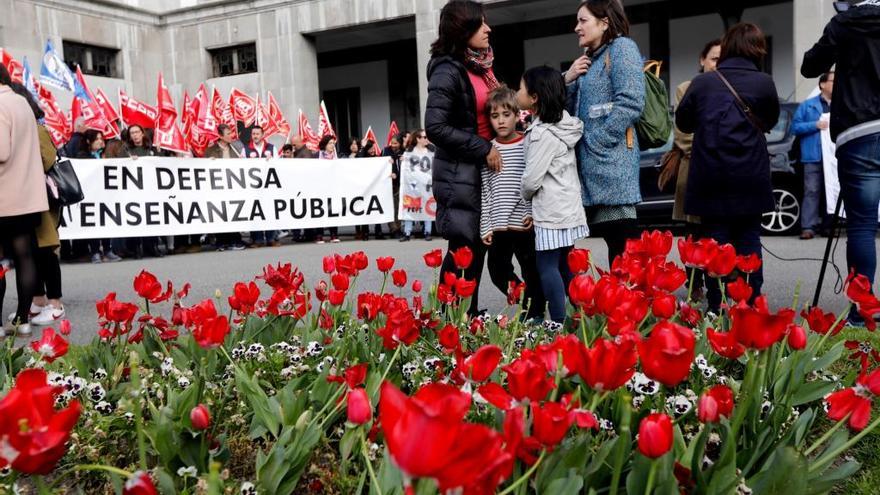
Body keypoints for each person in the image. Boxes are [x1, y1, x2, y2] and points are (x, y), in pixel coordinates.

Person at [676, 22, 780, 313]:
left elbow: (683, 122)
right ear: (756, 48)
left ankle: (715, 305)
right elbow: (769, 122)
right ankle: (751, 303)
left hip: (711, 176)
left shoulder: (703, 83)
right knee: (749, 239)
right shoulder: (764, 82)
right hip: (750, 175)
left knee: (715, 242)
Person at [802, 0, 880, 325]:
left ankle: (862, 313)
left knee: (862, 224)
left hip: (858, 129)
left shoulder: (845, 23)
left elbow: (810, 66)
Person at [426, 0, 502, 315]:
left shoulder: (480, 66)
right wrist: (483, 147)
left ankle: (464, 316)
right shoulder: (448, 70)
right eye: (480, 24)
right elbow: (435, 127)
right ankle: (452, 321)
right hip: (460, 172)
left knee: (476, 246)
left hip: (478, 171)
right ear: (463, 29)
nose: (488, 29)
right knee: (463, 248)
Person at [564, 0, 645, 267]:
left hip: (612, 167)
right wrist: (568, 78)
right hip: (594, 169)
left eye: (583, 20)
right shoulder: (589, 60)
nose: (577, 27)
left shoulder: (622, 49)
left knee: (622, 244)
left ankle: (630, 305)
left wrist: (599, 141)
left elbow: (631, 102)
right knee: (614, 241)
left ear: (605, 22)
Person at [517, 67, 588, 323]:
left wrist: (524, 194)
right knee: (565, 265)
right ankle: (579, 315)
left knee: (547, 266)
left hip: (549, 210)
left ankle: (559, 322)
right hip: (568, 207)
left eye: (521, 89)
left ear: (534, 98)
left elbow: (532, 179)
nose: (517, 93)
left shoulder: (542, 133)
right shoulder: (564, 123)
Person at [479, 87, 546, 320]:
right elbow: (485, 190)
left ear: (517, 115)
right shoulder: (488, 150)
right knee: (497, 271)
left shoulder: (526, 144)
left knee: (531, 270)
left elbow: (533, 181)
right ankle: (528, 300)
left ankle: (535, 315)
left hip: (523, 223)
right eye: (495, 116)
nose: (501, 121)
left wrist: (531, 212)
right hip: (498, 225)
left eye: (506, 115)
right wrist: (485, 225)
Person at [6, 83, 67, 326]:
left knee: (46, 251)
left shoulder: (37, 129)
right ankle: (39, 300)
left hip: (41, 199)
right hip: (26, 198)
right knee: (30, 251)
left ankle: (55, 303)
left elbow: (48, 159)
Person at [672, 38, 721, 301]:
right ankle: (694, 286)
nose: (718, 64)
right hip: (692, 170)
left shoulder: (729, 87)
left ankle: (717, 289)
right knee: (693, 234)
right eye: (714, 58)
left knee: (715, 235)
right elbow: (682, 136)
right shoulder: (686, 88)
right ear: (702, 60)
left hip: (720, 173)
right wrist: (713, 149)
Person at [0, 65, 47, 336]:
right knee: (25, 257)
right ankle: (23, 319)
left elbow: (2, 151)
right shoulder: (22, 103)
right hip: (27, 197)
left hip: (4, 196)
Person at [792, 71, 835, 240]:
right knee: (812, 190)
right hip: (813, 155)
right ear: (822, 84)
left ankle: (828, 226)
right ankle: (808, 227)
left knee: (832, 191)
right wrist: (815, 125)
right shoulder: (808, 105)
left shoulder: (842, 104)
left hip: (834, 157)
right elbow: (795, 128)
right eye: (833, 81)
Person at [205, 124, 247, 251]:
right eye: (228, 133)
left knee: (234, 213)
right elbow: (203, 168)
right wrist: (209, 162)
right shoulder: (210, 150)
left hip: (233, 187)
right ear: (220, 136)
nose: (231, 135)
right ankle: (221, 241)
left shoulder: (235, 148)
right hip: (218, 188)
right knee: (220, 214)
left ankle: (235, 239)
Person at [400, 130, 435, 242]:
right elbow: (405, 166)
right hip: (412, 184)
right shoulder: (409, 151)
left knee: (427, 205)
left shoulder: (432, 151)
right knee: (410, 205)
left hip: (426, 184)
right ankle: (407, 232)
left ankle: (427, 232)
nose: (426, 139)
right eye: (424, 137)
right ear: (418, 139)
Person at [247, 126, 279, 247]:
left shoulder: (271, 148)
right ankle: (258, 239)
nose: (255, 136)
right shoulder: (246, 149)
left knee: (270, 211)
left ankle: (271, 238)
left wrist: (272, 161)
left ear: (263, 134)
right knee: (256, 212)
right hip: (253, 187)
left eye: (257, 133)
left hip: (268, 187)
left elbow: (278, 165)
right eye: (253, 134)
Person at [316, 135, 340, 243]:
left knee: (332, 210)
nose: (332, 145)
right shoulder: (317, 155)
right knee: (320, 210)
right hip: (320, 188)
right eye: (330, 143)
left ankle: (334, 234)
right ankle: (319, 235)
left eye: (333, 143)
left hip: (333, 187)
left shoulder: (337, 156)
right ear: (325, 144)